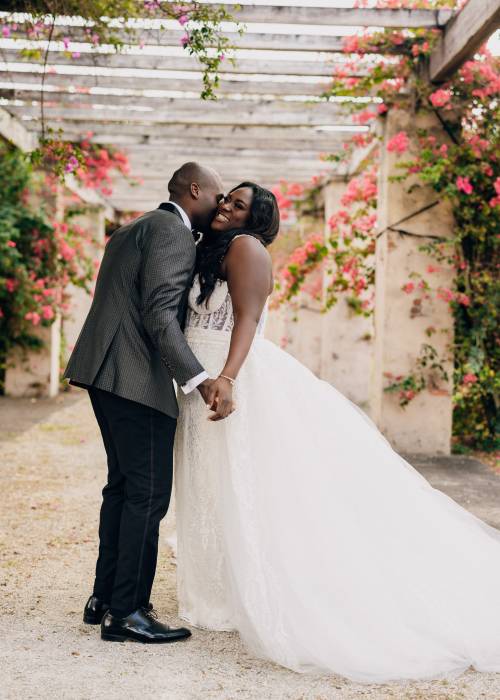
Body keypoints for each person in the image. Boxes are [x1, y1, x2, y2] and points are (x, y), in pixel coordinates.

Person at [174, 181, 500, 682]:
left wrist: (228, 377)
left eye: (238, 205)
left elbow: (248, 318)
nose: (225, 207)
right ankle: (219, 591)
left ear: (255, 220)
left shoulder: (247, 249)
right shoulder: (211, 247)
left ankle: (263, 589)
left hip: (232, 378)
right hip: (202, 383)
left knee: (245, 486)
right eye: (226, 199)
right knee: (209, 487)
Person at [64, 162, 234, 644]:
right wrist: (201, 381)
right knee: (148, 493)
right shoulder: (173, 233)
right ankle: (128, 613)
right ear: (194, 190)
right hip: (135, 378)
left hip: (105, 371)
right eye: (218, 197)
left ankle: (105, 598)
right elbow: (160, 315)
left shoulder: (132, 228)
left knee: (122, 487)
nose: (221, 206)